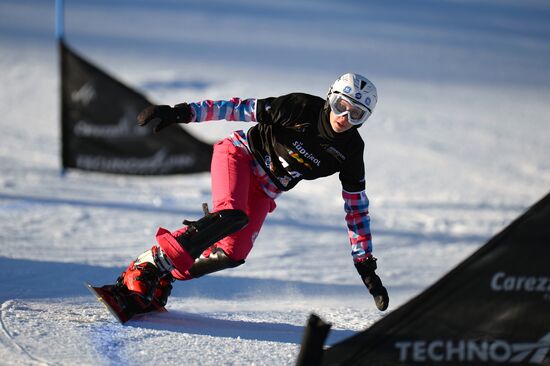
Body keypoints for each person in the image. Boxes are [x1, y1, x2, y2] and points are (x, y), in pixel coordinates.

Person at [114, 72, 389, 314]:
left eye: (356, 114)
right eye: (341, 105)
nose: (344, 117)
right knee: (231, 215)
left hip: (266, 190)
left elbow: (356, 209)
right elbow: (239, 109)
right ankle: (149, 264)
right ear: (331, 97)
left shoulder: (351, 151)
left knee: (233, 253)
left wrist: (365, 264)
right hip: (240, 155)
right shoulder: (301, 107)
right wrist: (182, 112)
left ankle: (164, 276)